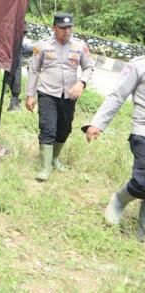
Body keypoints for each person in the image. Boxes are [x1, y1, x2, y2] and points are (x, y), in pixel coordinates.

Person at [25, 12, 94, 181]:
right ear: (54, 27)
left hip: (69, 95)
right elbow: (33, 70)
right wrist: (30, 95)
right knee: (48, 128)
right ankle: (45, 167)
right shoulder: (41, 46)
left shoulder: (79, 46)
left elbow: (89, 67)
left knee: (64, 129)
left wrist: (81, 83)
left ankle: (55, 159)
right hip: (47, 93)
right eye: (63, 28)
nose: (67, 31)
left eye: (69, 27)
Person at [84, 56, 145, 242]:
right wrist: (97, 124)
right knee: (142, 181)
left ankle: (142, 231)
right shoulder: (139, 65)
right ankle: (119, 199)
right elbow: (118, 95)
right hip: (143, 131)